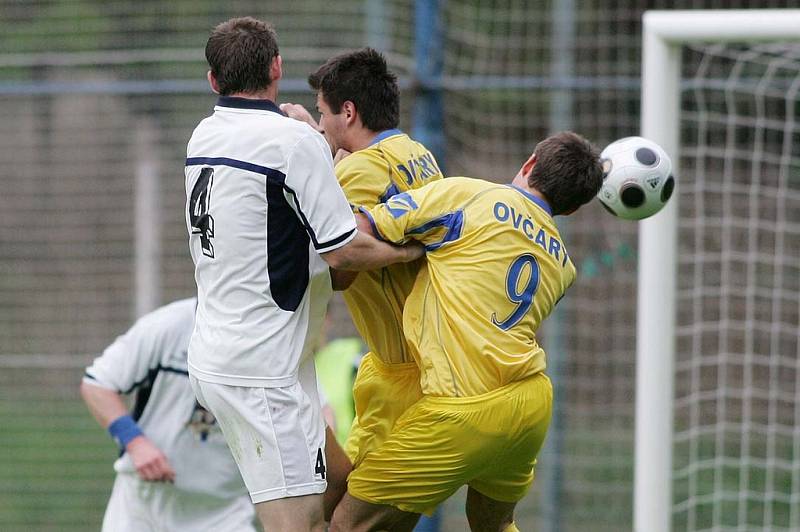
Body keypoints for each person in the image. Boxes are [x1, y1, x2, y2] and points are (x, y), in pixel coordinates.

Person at [184, 18, 422, 532]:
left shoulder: (204, 133)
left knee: (341, 481)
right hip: (262, 372)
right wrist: (412, 249)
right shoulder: (294, 144)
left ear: (212, 80)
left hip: (225, 351)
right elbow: (342, 254)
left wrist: (311, 139)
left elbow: (271, 183)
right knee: (302, 526)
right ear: (277, 68)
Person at [331, 131, 606, 531]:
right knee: (492, 525)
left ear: (529, 164)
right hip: (529, 405)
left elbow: (361, 229)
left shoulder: (469, 196)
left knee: (346, 525)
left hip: (462, 410)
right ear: (573, 209)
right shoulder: (564, 265)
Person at [280, 47, 444, 518]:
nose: (322, 123)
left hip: (403, 370)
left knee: (349, 517)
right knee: (344, 496)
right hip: (409, 361)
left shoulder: (357, 169)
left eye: (322, 114)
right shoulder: (416, 153)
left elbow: (343, 273)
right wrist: (322, 144)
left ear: (347, 112)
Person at [80, 298, 257, 532]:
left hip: (223, 512)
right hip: (142, 507)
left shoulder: (267, 337)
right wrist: (135, 441)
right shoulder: (167, 326)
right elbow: (97, 385)